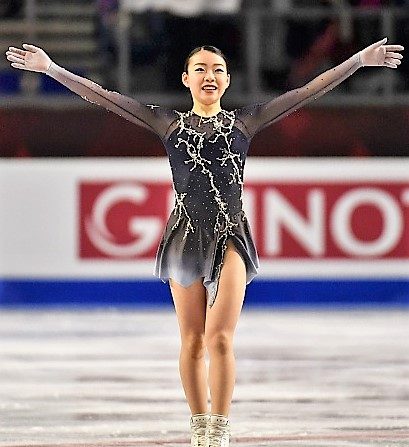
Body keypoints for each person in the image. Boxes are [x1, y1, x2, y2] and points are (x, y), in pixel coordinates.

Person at [5, 38, 403, 447]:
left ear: (227, 80)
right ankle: (200, 426)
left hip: (230, 235)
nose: (208, 75)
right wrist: (52, 69)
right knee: (192, 340)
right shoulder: (168, 124)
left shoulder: (245, 123)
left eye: (216, 69)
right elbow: (104, 97)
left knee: (220, 338)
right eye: (200, 68)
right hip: (184, 237)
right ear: (186, 78)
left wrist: (357, 60)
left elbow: (306, 91)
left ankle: (220, 426)